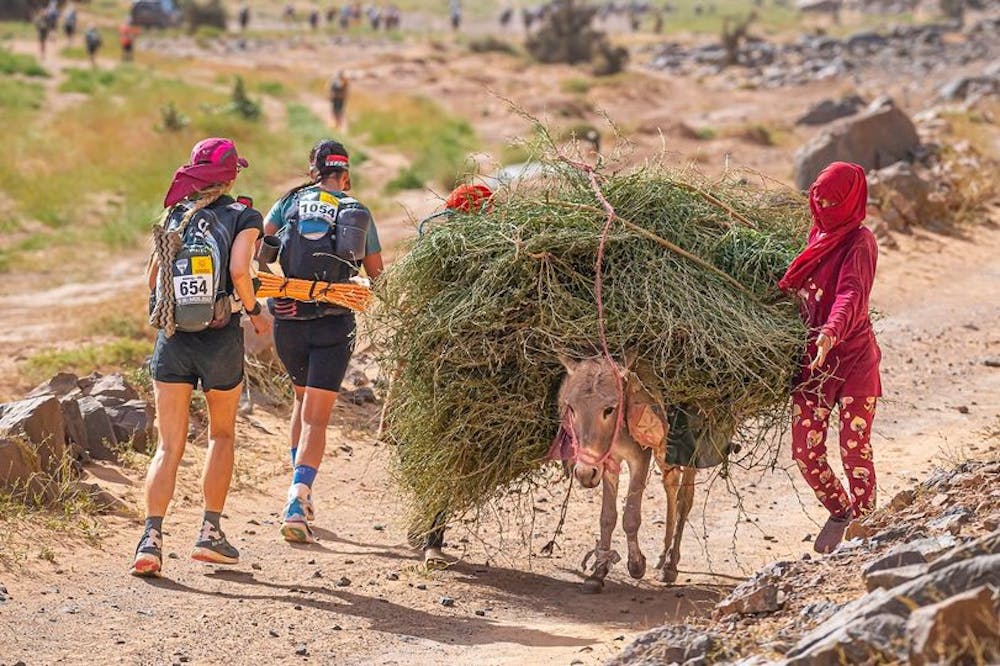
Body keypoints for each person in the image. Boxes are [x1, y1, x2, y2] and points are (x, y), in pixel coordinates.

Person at [131, 138, 269, 577]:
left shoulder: (175, 215)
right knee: (221, 435)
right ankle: (209, 532)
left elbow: (152, 278)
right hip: (219, 339)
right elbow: (240, 271)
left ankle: (150, 541)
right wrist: (254, 311)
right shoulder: (244, 215)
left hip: (173, 339)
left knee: (168, 445)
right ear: (230, 176)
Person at [262, 140, 383, 544]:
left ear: (313, 170)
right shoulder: (356, 210)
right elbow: (376, 272)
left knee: (300, 400)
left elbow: (264, 245)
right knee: (317, 415)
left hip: (289, 318)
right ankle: (298, 497)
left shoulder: (288, 203)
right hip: (334, 322)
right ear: (344, 175)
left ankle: (299, 490)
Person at [779, 161, 881, 555]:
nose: (822, 206)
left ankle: (866, 523)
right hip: (814, 364)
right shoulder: (818, 236)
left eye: (831, 201)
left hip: (853, 358)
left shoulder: (860, 242)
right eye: (817, 199)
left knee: (855, 447)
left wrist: (830, 332)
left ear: (851, 200)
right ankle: (840, 512)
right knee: (805, 451)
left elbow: (851, 294)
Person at [404, 183, 494, 566]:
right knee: (442, 449)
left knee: (442, 449)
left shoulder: (439, 253)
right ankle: (431, 536)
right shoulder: (455, 257)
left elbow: (408, 315)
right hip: (448, 373)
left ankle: (429, 531)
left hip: (453, 371)